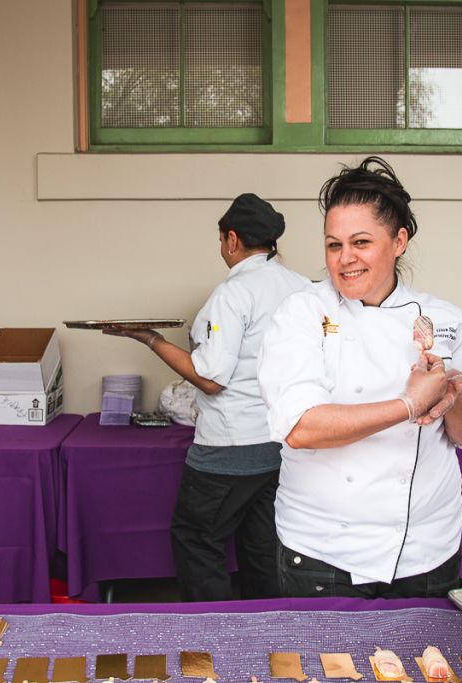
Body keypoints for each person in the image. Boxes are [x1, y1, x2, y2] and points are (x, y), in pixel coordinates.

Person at [257, 157, 462, 599]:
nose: (345, 258)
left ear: (399, 241)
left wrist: (451, 392)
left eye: (361, 242)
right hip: (323, 554)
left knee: (423, 669)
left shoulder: (446, 321)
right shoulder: (301, 314)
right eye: (333, 245)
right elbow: (300, 427)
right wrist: (408, 405)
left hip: (427, 552)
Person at [105, 194, 310, 601]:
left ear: (232, 239)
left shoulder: (234, 293)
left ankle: (213, 637)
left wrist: (151, 340)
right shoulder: (302, 288)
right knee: (262, 542)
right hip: (282, 439)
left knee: (196, 538)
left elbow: (211, 378)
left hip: (231, 444)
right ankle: (268, 629)